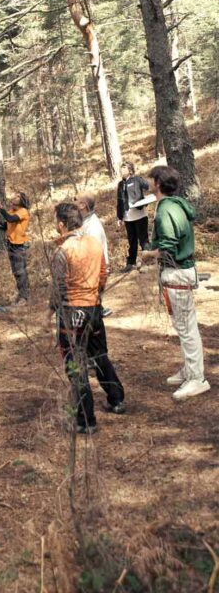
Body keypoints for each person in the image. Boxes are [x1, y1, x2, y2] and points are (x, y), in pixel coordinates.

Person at [51, 202, 125, 433]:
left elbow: (58, 288)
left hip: (72, 313)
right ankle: (117, 399)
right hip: (94, 309)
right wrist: (95, 295)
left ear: (61, 224)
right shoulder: (94, 243)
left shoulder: (62, 251)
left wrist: (53, 309)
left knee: (76, 366)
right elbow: (103, 274)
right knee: (100, 355)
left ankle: (85, 420)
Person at [141, 166, 210, 401]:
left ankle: (197, 379)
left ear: (158, 183)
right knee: (183, 327)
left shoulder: (165, 210)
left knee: (187, 329)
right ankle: (190, 370)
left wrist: (148, 255)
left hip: (177, 273)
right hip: (180, 273)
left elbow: (168, 248)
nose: (147, 181)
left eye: (150, 178)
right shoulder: (175, 205)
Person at [0, 192, 30, 303]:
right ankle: (22, 295)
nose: (14, 197)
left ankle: (24, 297)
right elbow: (6, 226)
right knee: (16, 272)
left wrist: (0, 208)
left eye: (17, 196)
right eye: (14, 195)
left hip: (19, 246)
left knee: (20, 272)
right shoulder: (11, 211)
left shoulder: (23, 211)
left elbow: (11, 219)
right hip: (11, 245)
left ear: (22, 200)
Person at [116, 161, 150, 271]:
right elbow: (119, 202)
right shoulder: (120, 185)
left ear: (130, 170)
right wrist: (119, 217)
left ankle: (148, 262)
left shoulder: (137, 180)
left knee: (143, 240)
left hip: (140, 215)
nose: (122, 170)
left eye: (124, 167)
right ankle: (130, 263)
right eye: (121, 168)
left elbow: (148, 186)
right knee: (132, 241)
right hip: (128, 218)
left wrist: (146, 200)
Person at [76, 194, 109, 267]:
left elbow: (95, 252)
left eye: (75, 199)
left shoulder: (93, 226)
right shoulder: (84, 221)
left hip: (96, 269)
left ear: (82, 205)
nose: (73, 202)